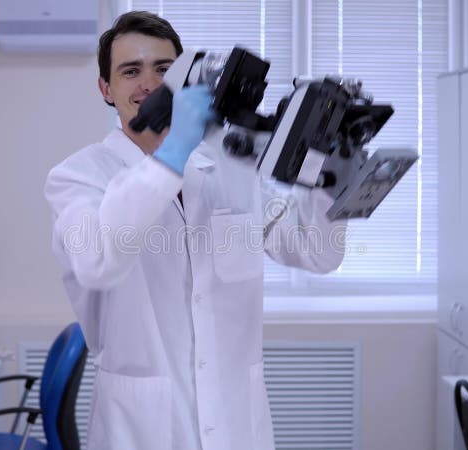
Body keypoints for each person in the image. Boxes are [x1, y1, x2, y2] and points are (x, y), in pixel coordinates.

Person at [44, 11, 346, 450]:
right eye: (131, 71)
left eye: (164, 69)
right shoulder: (78, 176)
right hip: (141, 429)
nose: (148, 84)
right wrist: (171, 153)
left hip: (236, 424)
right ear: (106, 89)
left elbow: (317, 253)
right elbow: (98, 263)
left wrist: (326, 175)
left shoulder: (229, 166)